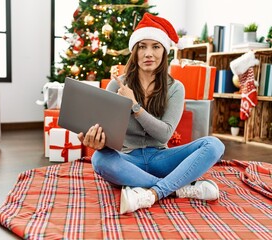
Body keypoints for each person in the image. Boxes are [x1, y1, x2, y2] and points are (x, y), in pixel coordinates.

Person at [77, 13, 225, 214]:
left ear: (164, 51)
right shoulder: (116, 85)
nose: (148, 53)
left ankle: (153, 193)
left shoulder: (175, 88)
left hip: (162, 159)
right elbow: (106, 133)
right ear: (134, 52)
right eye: (142, 46)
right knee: (99, 160)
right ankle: (177, 189)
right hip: (127, 159)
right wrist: (95, 139)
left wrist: (135, 106)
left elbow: (164, 134)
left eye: (155, 46)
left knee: (214, 144)